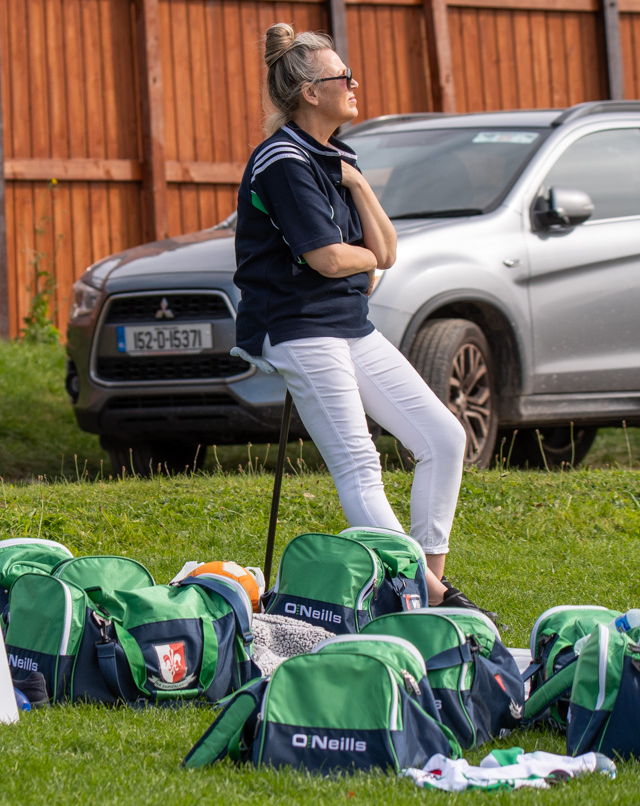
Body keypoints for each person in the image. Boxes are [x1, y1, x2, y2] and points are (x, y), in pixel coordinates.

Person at [232, 23, 486, 613]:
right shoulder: (283, 161)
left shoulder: (336, 156)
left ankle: (420, 587)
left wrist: (358, 185)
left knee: (444, 438)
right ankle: (433, 599)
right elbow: (328, 258)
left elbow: (384, 252)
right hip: (298, 328)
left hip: (346, 323)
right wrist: (362, 259)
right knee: (359, 464)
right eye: (340, 76)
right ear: (309, 93)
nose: (353, 84)